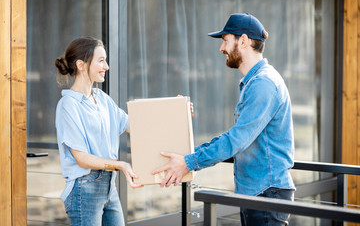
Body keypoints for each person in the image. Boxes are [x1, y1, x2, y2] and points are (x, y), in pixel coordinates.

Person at [152, 13, 296, 225]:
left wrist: (189, 163)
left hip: (267, 194)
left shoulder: (263, 84)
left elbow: (236, 140)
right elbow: (235, 137)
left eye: (225, 40)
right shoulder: (254, 82)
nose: (222, 48)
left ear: (244, 41)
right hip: (258, 193)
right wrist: (188, 157)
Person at [54, 37, 142, 226]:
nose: (107, 66)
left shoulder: (102, 98)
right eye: (101, 60)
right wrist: (120, 165)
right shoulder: (68, 105)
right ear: (81, 65)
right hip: (84, 189)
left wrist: (174, 110)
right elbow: (82, 158)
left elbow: (134, 125)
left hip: (109, 186)